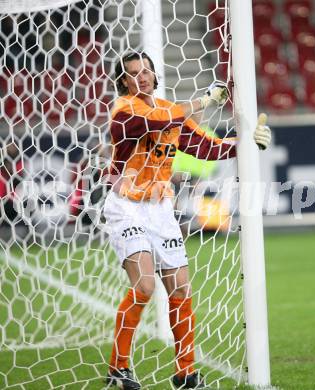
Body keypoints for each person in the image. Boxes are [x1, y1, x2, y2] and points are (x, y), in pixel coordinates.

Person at [103, 51, 271, 389]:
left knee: (180, 289)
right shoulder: (123, 111)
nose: (143, 77)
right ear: (123, 81)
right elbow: (155, 124)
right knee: (144, 286)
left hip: (160, 209)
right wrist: (203, 101)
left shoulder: (170, 112)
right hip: (126, 205)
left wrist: (247, 143)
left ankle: (186, 374)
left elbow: (206, 148)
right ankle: (118, 368)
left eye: (146, 70)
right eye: (134, 73)